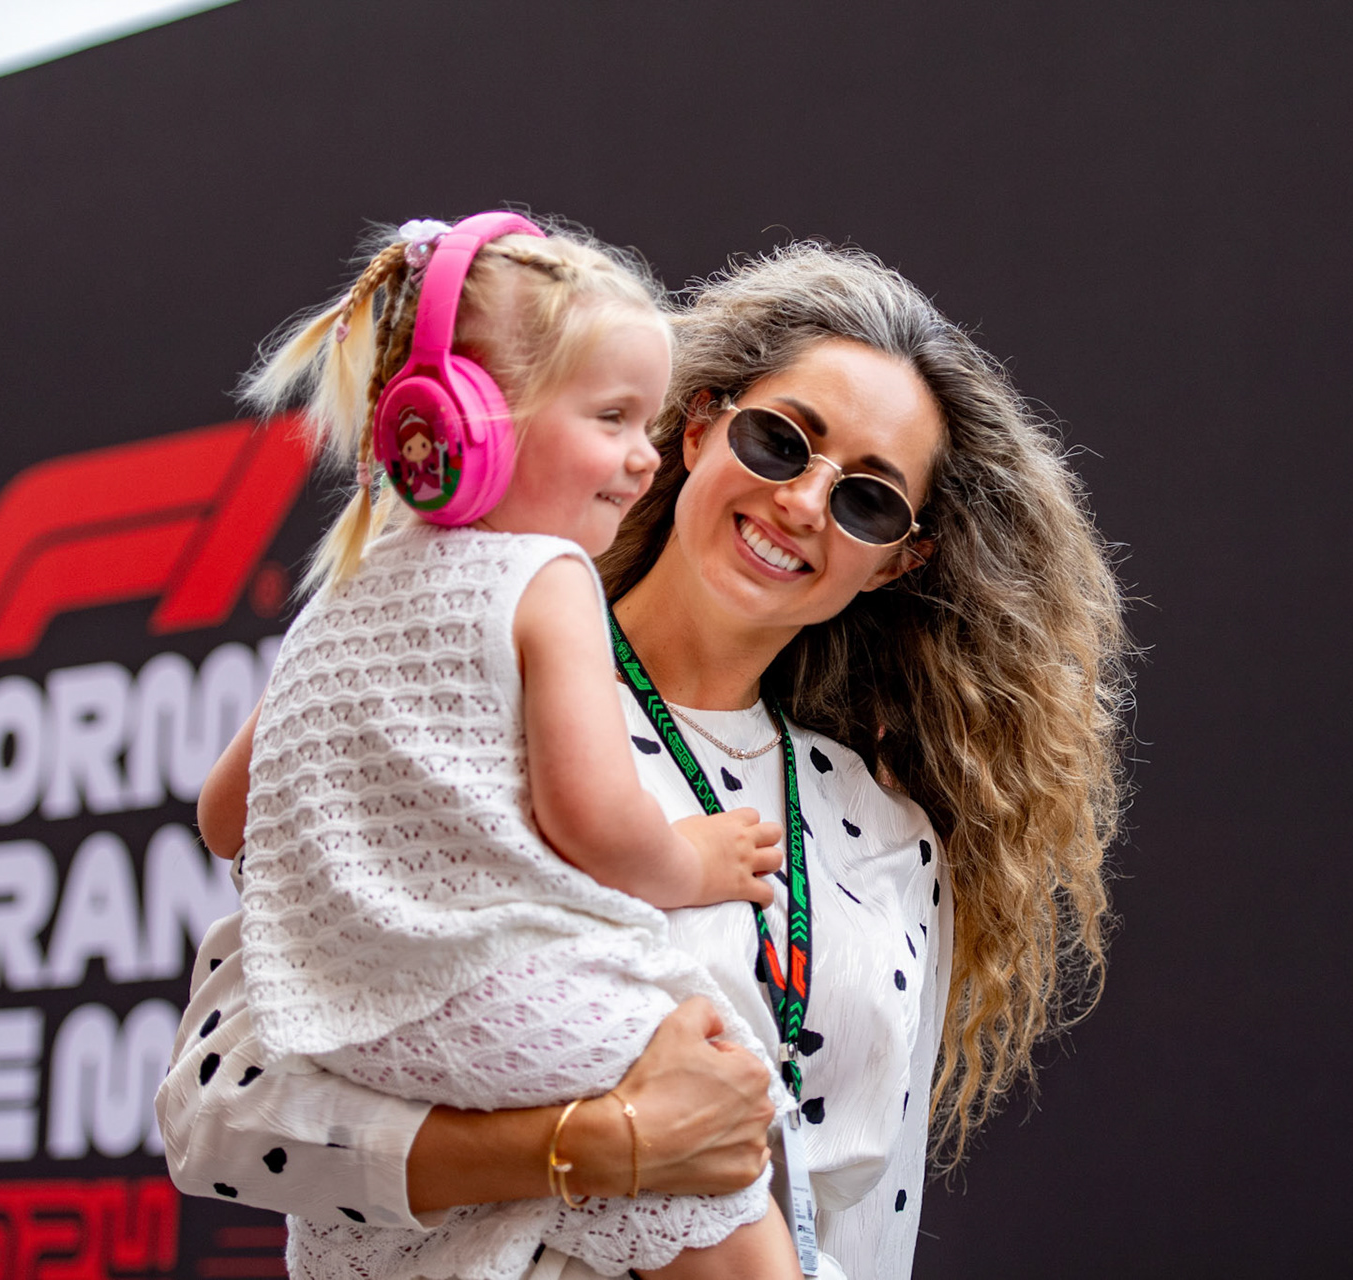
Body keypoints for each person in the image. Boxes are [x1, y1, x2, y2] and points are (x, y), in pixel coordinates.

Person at [159, 238, 1128, 1280]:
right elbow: (224, 1103)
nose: (805, 501)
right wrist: (595, 1146)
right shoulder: (465, 691)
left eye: (868, 501)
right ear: (699, 426)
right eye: (780, 440)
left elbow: (869, 1203)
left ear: (902, 558)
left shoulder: (893, 839)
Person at [174, 212, 801, 1280]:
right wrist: (695, 857)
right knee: (726, 1167)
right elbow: (593, 820)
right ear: (473, 418)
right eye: (612, 417)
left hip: (338, 1024)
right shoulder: (546, 578)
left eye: (648, 422)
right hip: (501, 998)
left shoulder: (346, 589)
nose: (644, 458)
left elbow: (227, 815)